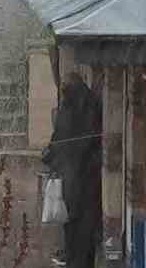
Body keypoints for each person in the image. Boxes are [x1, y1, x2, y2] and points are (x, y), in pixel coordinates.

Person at [41, 72, 102, 268]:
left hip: (78, 175)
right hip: (82, 174)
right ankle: (77, 257)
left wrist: (52, 156)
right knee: (77, 219)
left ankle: (76, 258)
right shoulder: (86, 104)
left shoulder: (74, 107)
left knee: (76, 219)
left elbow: (63, 139)